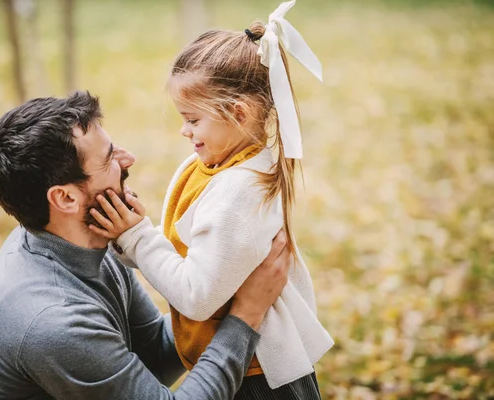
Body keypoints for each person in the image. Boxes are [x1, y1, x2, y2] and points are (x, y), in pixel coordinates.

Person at [0, 91, 292, 399]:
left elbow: (151, 352)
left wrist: (219, 277)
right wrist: (245, 314)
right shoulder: (54, 321)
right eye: (108, 159)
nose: (128, 160)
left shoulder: (81, 244)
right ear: (64, 198)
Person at [87, 2, 334, 398]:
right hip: (235, 360)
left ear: (238, 113)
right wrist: (125, 239)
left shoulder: (239, 191)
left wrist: (136, 237)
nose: (185, 131)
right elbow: (188, 254)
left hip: (258, 378)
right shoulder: (209, 166)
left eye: (193, 119)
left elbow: (197, 298)